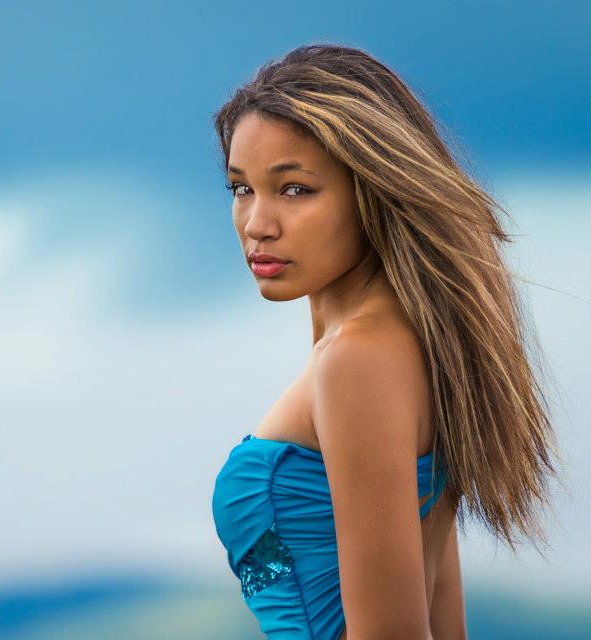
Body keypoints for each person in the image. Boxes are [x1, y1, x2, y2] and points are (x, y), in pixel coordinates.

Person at [210, 43, 563, 640]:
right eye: (241, 189)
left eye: (295, 189)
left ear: (371, 190)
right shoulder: (409, 347)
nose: (257, 223)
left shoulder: (360, 362)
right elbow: (441, 619)